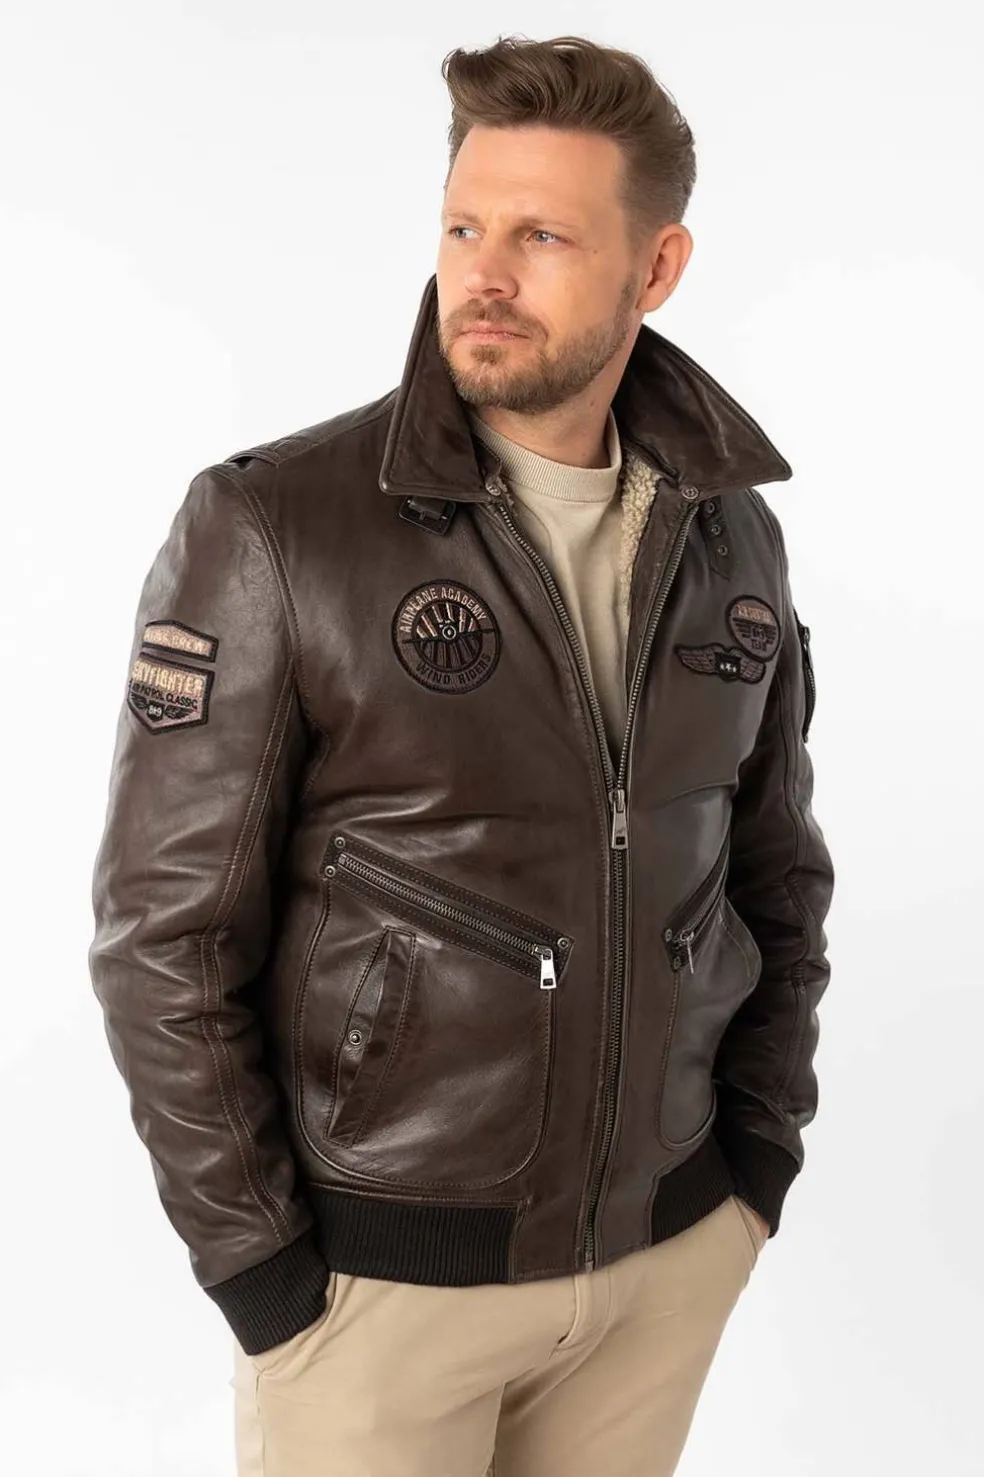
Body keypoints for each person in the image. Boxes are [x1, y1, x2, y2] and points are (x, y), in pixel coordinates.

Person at [88, 31, 834, 1477]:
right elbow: (162, 940)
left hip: (663, 1262)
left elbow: (775, 873)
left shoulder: (730, 534)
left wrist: (753, 1170)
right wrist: (268, 1279)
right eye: (462, 228)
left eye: (542, 237)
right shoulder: (277, 527)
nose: (483, 275)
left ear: (657, 268)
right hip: (381, 1294)